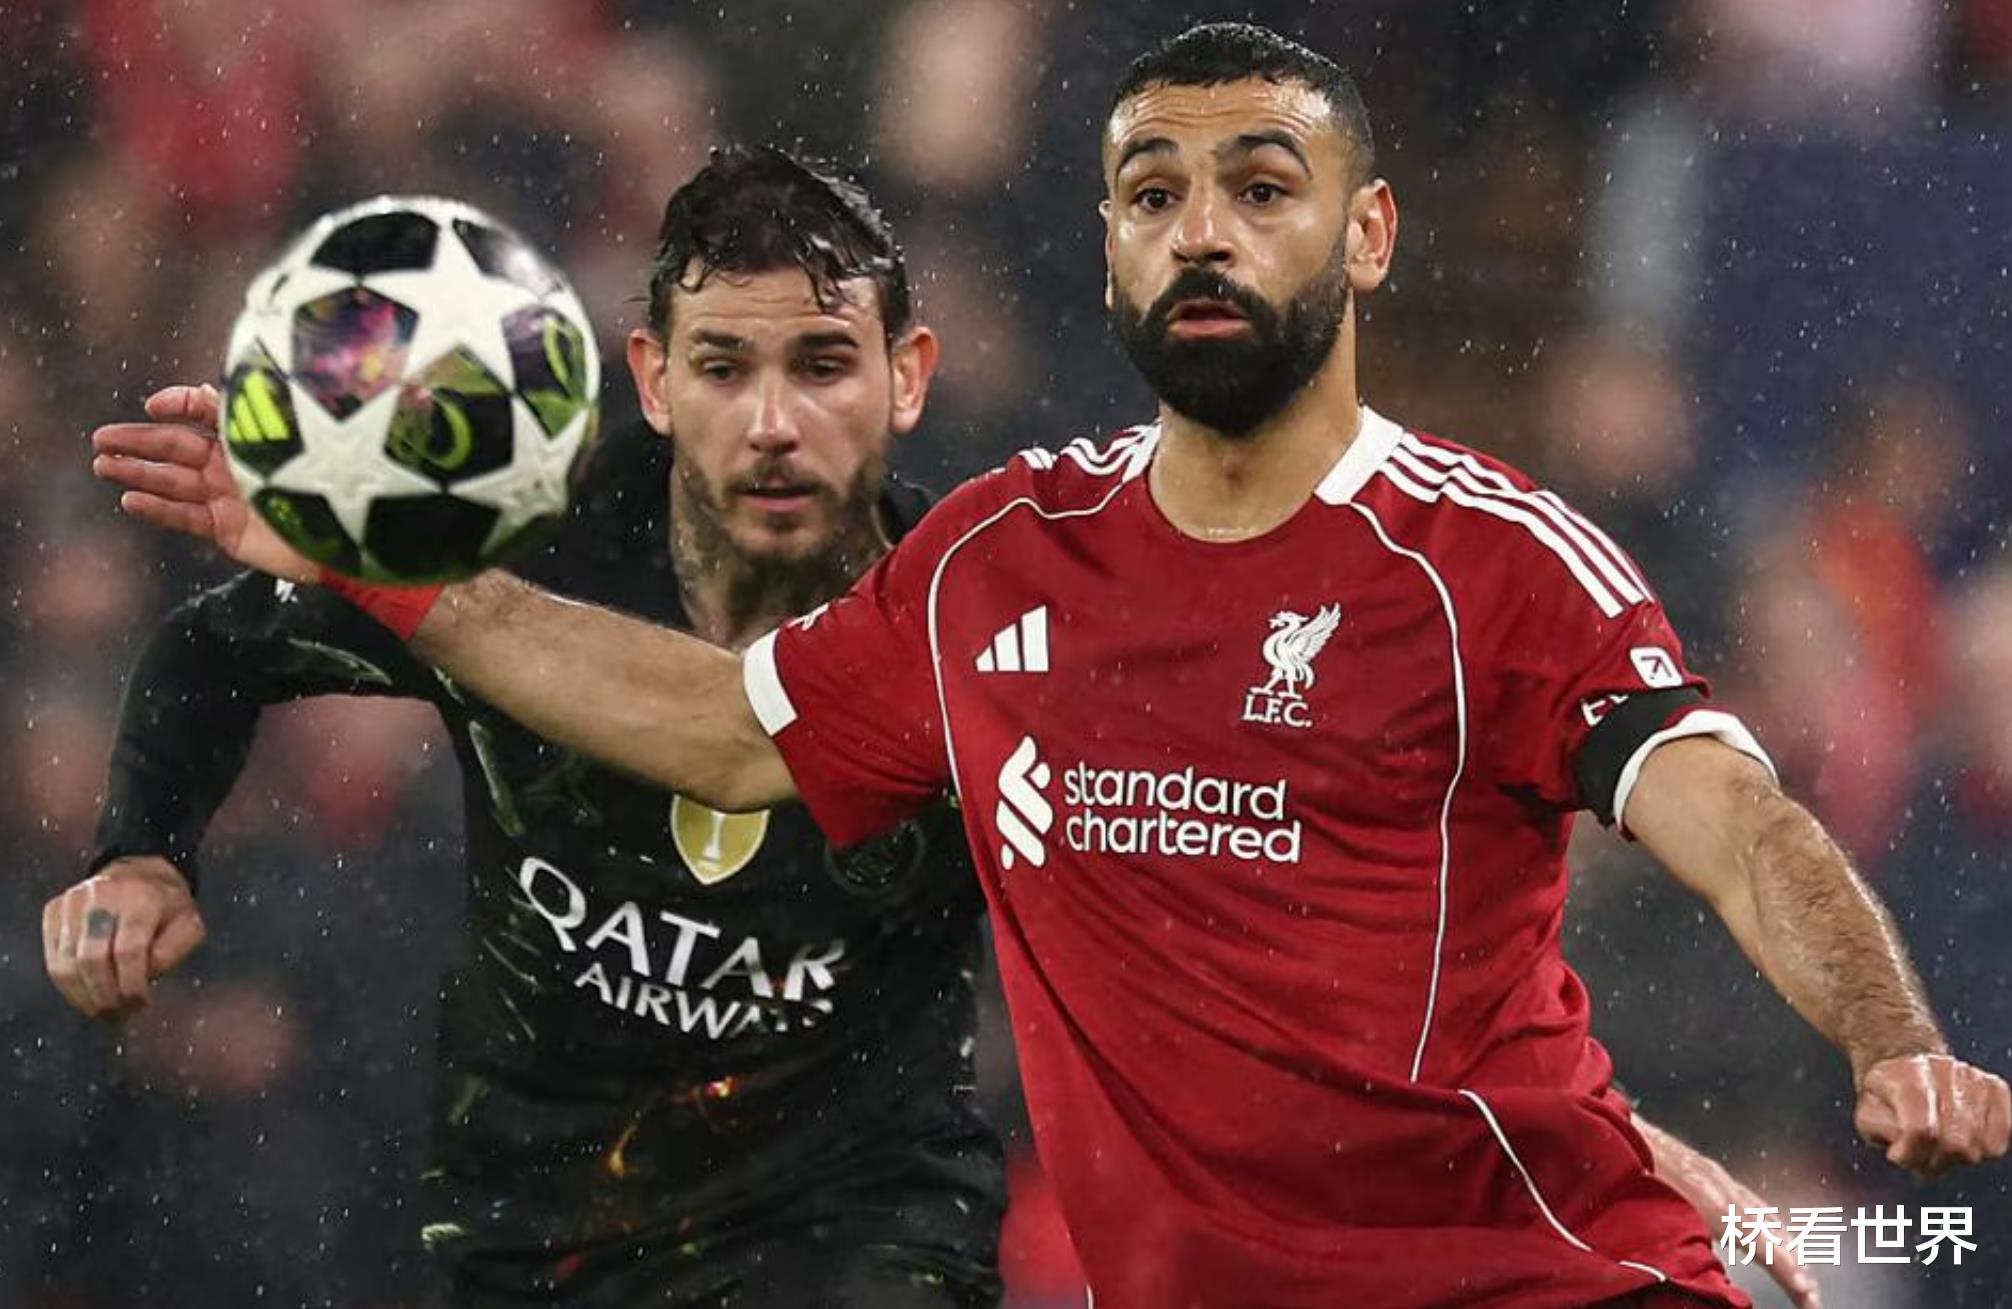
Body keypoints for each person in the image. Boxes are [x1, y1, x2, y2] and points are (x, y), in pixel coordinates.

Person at [83, 25, 1977, 1304]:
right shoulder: (997, 559)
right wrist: (396, 579)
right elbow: (725, 732)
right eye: (1154, 193)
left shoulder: (1491, 559)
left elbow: (1739, 825)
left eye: (1261, 187)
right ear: (1108, 244)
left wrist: (1886, 1034)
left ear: (1371, 235)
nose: (1202, 230)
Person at [47, 147, 1005, 1309]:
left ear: (906, 376)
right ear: (653, 379)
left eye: (822, 365)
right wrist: (144, 850)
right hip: (548, 1236)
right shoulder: (519, 540)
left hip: (862, 1237)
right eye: (721, 366)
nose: (771, 423)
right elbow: (216, 647)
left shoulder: (977, 625)